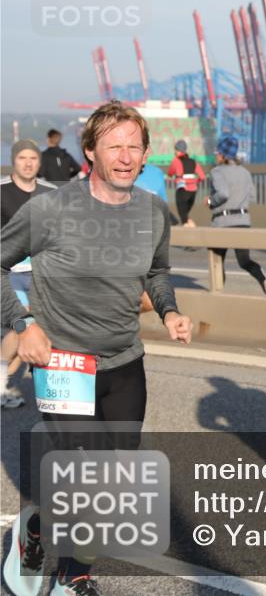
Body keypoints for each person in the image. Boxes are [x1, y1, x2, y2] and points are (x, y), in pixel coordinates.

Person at [1, 100, 193, 596]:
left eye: (134, 146)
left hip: (126, 361)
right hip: (65, 362)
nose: (126, 156)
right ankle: (72, 576)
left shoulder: (152, 210)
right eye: (114, 146)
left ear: (147, 153)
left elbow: (157, 271)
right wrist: (22, 324)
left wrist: (169, 311)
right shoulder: (50, 209)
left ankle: (41, 532)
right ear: (90, 151)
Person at [0, 140, 56, 409]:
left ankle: (2, 383)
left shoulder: (50, 192)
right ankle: (1, 385)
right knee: (20, 325)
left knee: (36, 328)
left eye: (33, 158)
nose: (28, 162)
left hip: (40, 275)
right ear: (14, 160)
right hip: (8, 273)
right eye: (22, 157)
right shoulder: (1, 190)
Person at [207, 135, 266, 295]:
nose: (216, 155)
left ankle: (217, 295)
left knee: (217, 261)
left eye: (217, 152)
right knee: (244, 261)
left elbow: (223, 194)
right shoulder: (245, 172)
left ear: (223, 155)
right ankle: (263, 280)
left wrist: (211, 201)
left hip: (223, 222)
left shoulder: (217, 171)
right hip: (243, 221)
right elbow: (252, 196)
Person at [167, 139, 205, 226]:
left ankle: (192, 234)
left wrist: (173, 179)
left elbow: (170, 173)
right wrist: (194, 182)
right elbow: (202, 177)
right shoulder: (194, 162)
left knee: (184, 218)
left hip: (182, 191)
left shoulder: (176, 161)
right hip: (193, 192)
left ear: (177, 150)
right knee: (185, 216)